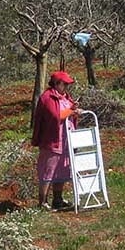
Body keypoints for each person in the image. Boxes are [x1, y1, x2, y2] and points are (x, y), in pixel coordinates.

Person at [31, 70, 80, 210]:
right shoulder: (47, 98)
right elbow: (55, 116)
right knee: (48, 170)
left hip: (66, 140)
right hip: (52, 140)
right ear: (57, 83)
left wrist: (75, 111)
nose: (66, 87)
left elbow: (69, 112)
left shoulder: (65, 97)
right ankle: (43, 202)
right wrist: (71, 111)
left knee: (62, 169)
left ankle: (57, 199)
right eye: (65, 84)